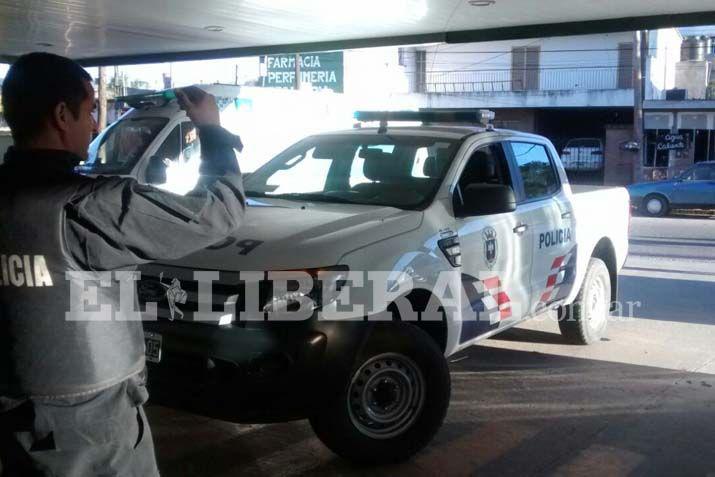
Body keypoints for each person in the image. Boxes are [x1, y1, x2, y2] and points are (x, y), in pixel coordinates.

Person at [0, 53, 245, 476]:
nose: (95, 124)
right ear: (62, 115)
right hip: (91, 433)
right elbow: (219, 212)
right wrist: (211, 128)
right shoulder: (88, 206)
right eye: (91, 108)